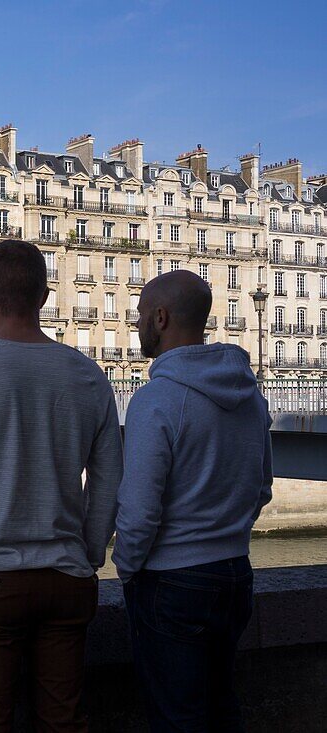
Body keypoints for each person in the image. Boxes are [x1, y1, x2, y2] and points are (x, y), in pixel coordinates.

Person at [0, 239, 124, 732]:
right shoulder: (89, 377)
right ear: (44, 296)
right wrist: (90, 556)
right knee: (63, 722)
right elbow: (109, 481)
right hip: (65, 579)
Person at [114, 270, 272, 731]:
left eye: (142, 314)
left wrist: (126, 569)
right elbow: (262, 488)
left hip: (171, 582)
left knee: (177, 719)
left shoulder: (156, 400)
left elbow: (139, 511)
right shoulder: (250, 396)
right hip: (235, 573)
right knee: (223, 709)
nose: (138, 323)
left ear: (160, 318)